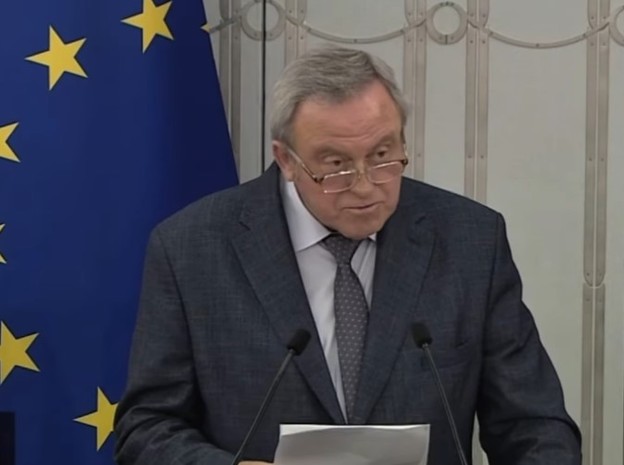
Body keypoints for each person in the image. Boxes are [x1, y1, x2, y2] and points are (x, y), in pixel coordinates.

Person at [113, 45, 581, 465]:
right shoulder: (192, 249)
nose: (365, 186)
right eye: (335, 165)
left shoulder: (468, 241)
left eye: (382, 155)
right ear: (286, 159)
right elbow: (146, 428)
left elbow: (533, 425)